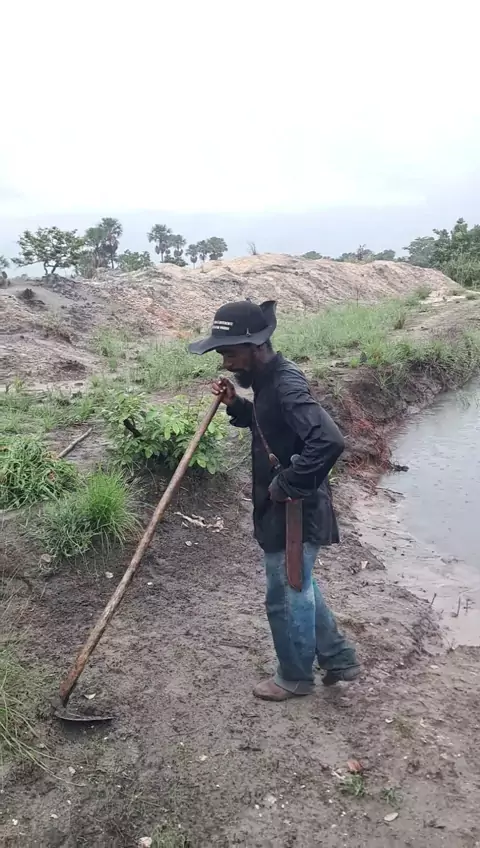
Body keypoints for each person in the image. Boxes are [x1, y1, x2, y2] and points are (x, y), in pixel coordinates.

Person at [189, 299, 360, 701]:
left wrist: (288, 484)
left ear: (255, 346)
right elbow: (272, 424)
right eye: (222, 354)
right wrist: (237, 405)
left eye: (231, 353)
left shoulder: (285, 384)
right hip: (284, 506)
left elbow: (329, 440)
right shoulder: (269, 383)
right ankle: (338, 658)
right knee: (298, 584)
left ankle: (295, 677)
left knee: (284, 594)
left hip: (295, 510)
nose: (226, 363)